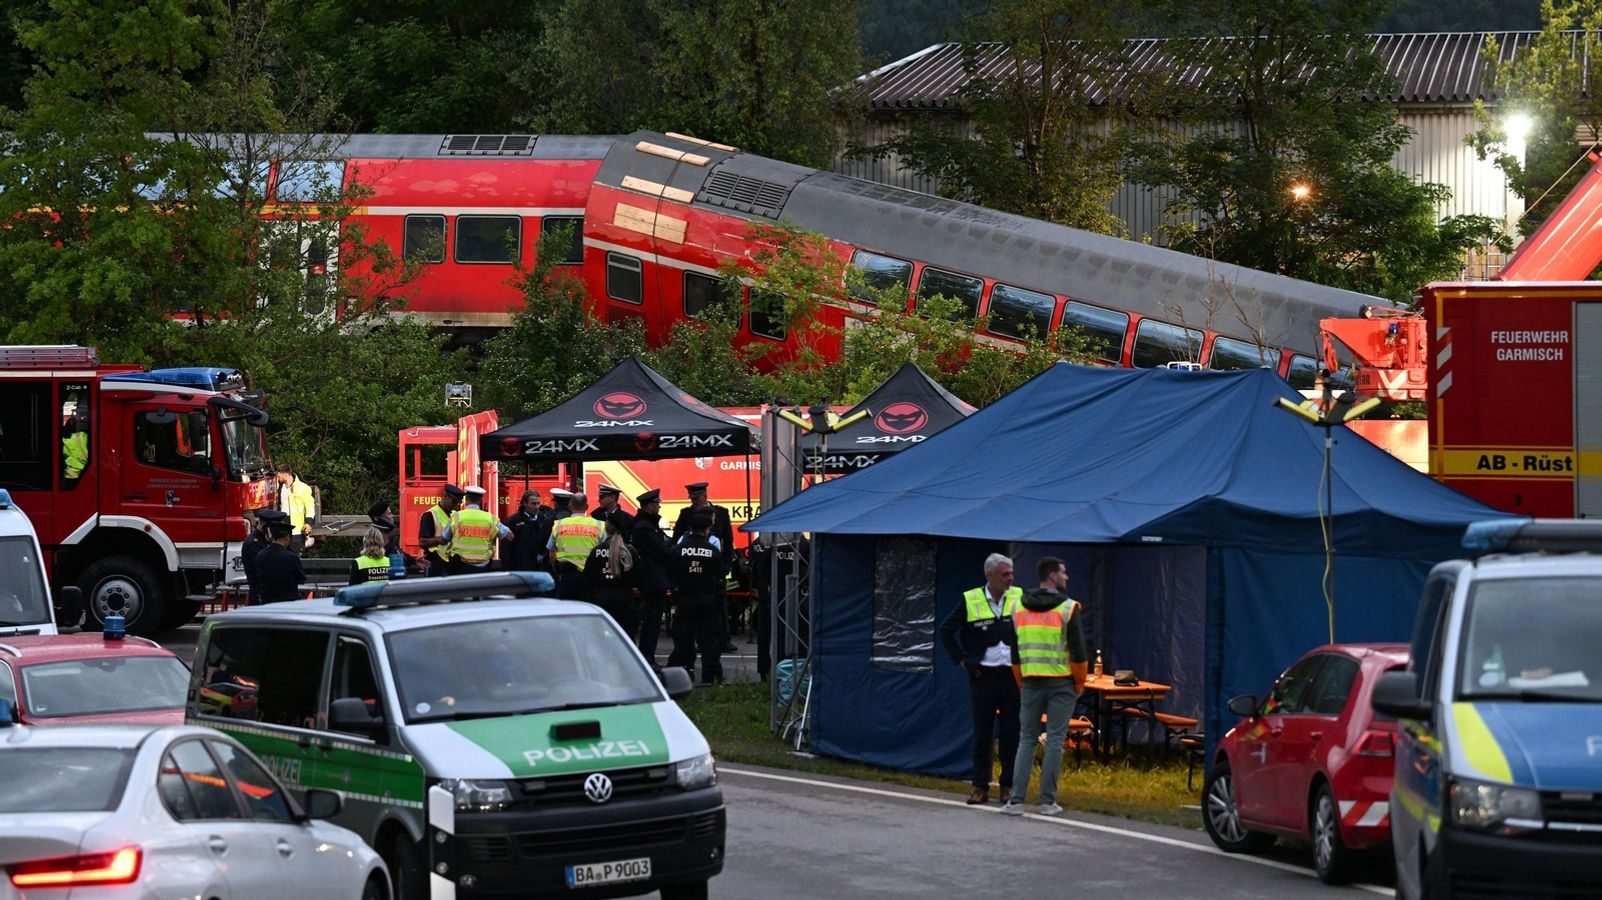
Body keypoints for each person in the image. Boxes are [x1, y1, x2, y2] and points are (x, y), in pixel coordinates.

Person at [1000, 556, 1089, 817]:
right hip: (1061, 682)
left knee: (1026, 739)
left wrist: (1022, 680)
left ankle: (1015, 801)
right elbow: (1078, 652)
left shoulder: (1017, 607)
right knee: (1055, 741)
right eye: (1063, 573)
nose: (1066, 577)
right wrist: (1079, 683)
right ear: (1052, 576)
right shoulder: (1068, 608)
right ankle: (1047, 802)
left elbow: (1014, 652)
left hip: (1030, 681)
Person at [940, 552, 1023, 805]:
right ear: (990, 575)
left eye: (1011, 573)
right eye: (1004, 574)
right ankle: (980, 786)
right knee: (983, 732)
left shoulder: (1019, 596)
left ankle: (1007, 785)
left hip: (1012, 674)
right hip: (983, 674)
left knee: (1011, 732)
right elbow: (946, 630)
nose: (1010, 578)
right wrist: (962, 660)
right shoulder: (971, 598)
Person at [672, 483, 737, 652]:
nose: (693, 502)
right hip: (692, 570)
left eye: (696, 498)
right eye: (692, 499)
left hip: (714, 568)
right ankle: (697, 643)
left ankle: (724, 640)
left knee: (720, 606)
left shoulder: (721, 513)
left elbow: (728, 542)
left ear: (704, 496)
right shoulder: (686, 514)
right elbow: (677, 538)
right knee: (695, 611)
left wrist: (726, 565)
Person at [668, 509, 725, 685]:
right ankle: (710, 676)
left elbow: (671, 572)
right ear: (706, 529)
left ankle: (683, 674)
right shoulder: (712, 550)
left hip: (684, 600)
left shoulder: (678, 549)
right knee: (708, 640)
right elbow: (721, 573)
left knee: (683, 639)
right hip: (707, 600)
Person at [631, 488, 674, 663]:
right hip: (652, 579)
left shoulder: (648, 525)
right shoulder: (644, 528)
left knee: (652, 619)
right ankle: (647, 656)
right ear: (649, 506)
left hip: (654, 578)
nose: (659, 507)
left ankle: (648, 654)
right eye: (657, 504)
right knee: (652, 621)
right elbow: (662, 550)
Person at [585, 511, 641, 638]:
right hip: (625, 598)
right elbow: (640, 575)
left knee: (601, 637)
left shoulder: (597, 550)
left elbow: (588, 576)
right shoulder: (629, 551)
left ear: (606, 527)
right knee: (626, 637)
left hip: (602, 598)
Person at [443, 486, 510, 572]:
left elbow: (443, 540)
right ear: (480, 500)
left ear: (466, 499)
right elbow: (509, 536)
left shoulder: (456, 517)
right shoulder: (491, 519)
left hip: (460, 567)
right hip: (483, 567)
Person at [548, 492, 602, 599]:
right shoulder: (599, 525)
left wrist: (558, 573)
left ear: (570, 506)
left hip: (566, 576)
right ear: (587, 507)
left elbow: (551, 554)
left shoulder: (559, 524)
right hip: (589, 577)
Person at [254, 518, 306, 604]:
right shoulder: (291, 557)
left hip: (267, 601)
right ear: (287, 538)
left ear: (272, 537)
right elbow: (301, 578)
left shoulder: (260, 555)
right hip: (287, 602)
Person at [502, 489, 554, 572]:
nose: (536, 507)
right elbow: (507, 548)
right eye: (533, 504)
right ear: (524, 503)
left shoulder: (545, 519)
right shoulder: (513, 521)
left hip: (541, 569)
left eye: (538, 503)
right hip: (521, 568)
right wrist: (507, 568)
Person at [418, 484, 465, 576]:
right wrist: (442, 539)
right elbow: (422, 542)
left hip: (453, 563)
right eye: (454, 502)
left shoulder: (456, 515)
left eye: (458, 503)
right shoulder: (430, 515)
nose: (456, 506)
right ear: (445, 496)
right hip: (435, 562)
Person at [240, 508, 283, 605]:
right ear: (267, 526)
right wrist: (275, 546)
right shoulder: (253, 543)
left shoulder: (266, 540)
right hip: (260, 593)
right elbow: (266, 567)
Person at [275, 464, 317, 553]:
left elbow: (310, 507)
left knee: (295, 554)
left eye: (279, 475)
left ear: (286, 475)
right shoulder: (278, 487)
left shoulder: (303, 488)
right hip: (282, 524)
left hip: (297, 528)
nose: (277, 477)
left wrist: (308, 523)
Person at [368, 500, 406, 579]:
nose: (392, 516)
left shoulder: (391, 542)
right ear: (379, 518)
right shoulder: (382, 544)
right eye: (389, 513)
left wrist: (414, 560)